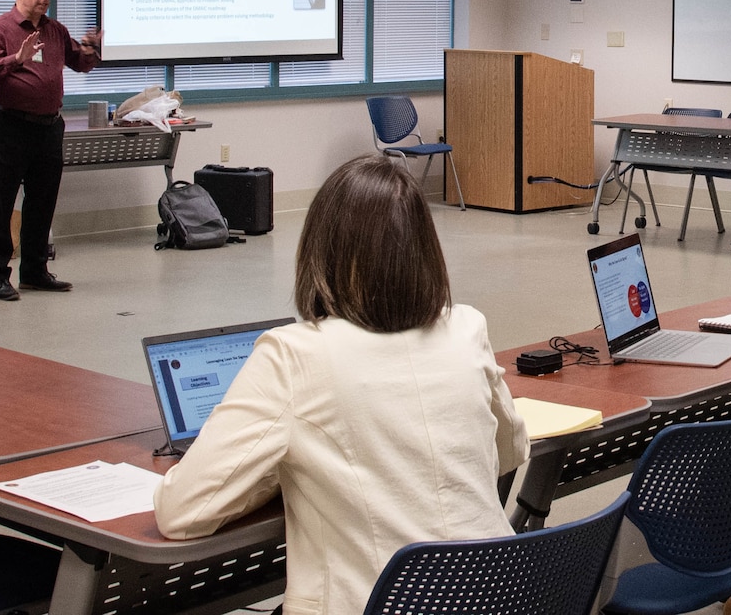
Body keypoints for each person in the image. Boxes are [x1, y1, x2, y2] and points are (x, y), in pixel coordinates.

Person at [155, 155, 528, 615]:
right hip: (496, 596)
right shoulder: (466, 326)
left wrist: (285, 469)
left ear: (319, 250)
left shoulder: (295, 354)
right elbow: (510, 451)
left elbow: (183, 514)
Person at [0, 0, 100, 301]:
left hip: (48, 127)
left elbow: (79, 62)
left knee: (42, 202)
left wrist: (91, 49)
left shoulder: (55, 30)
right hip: (11, 124)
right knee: (2, 202)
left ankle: (34, 271)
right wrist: (16, 58)